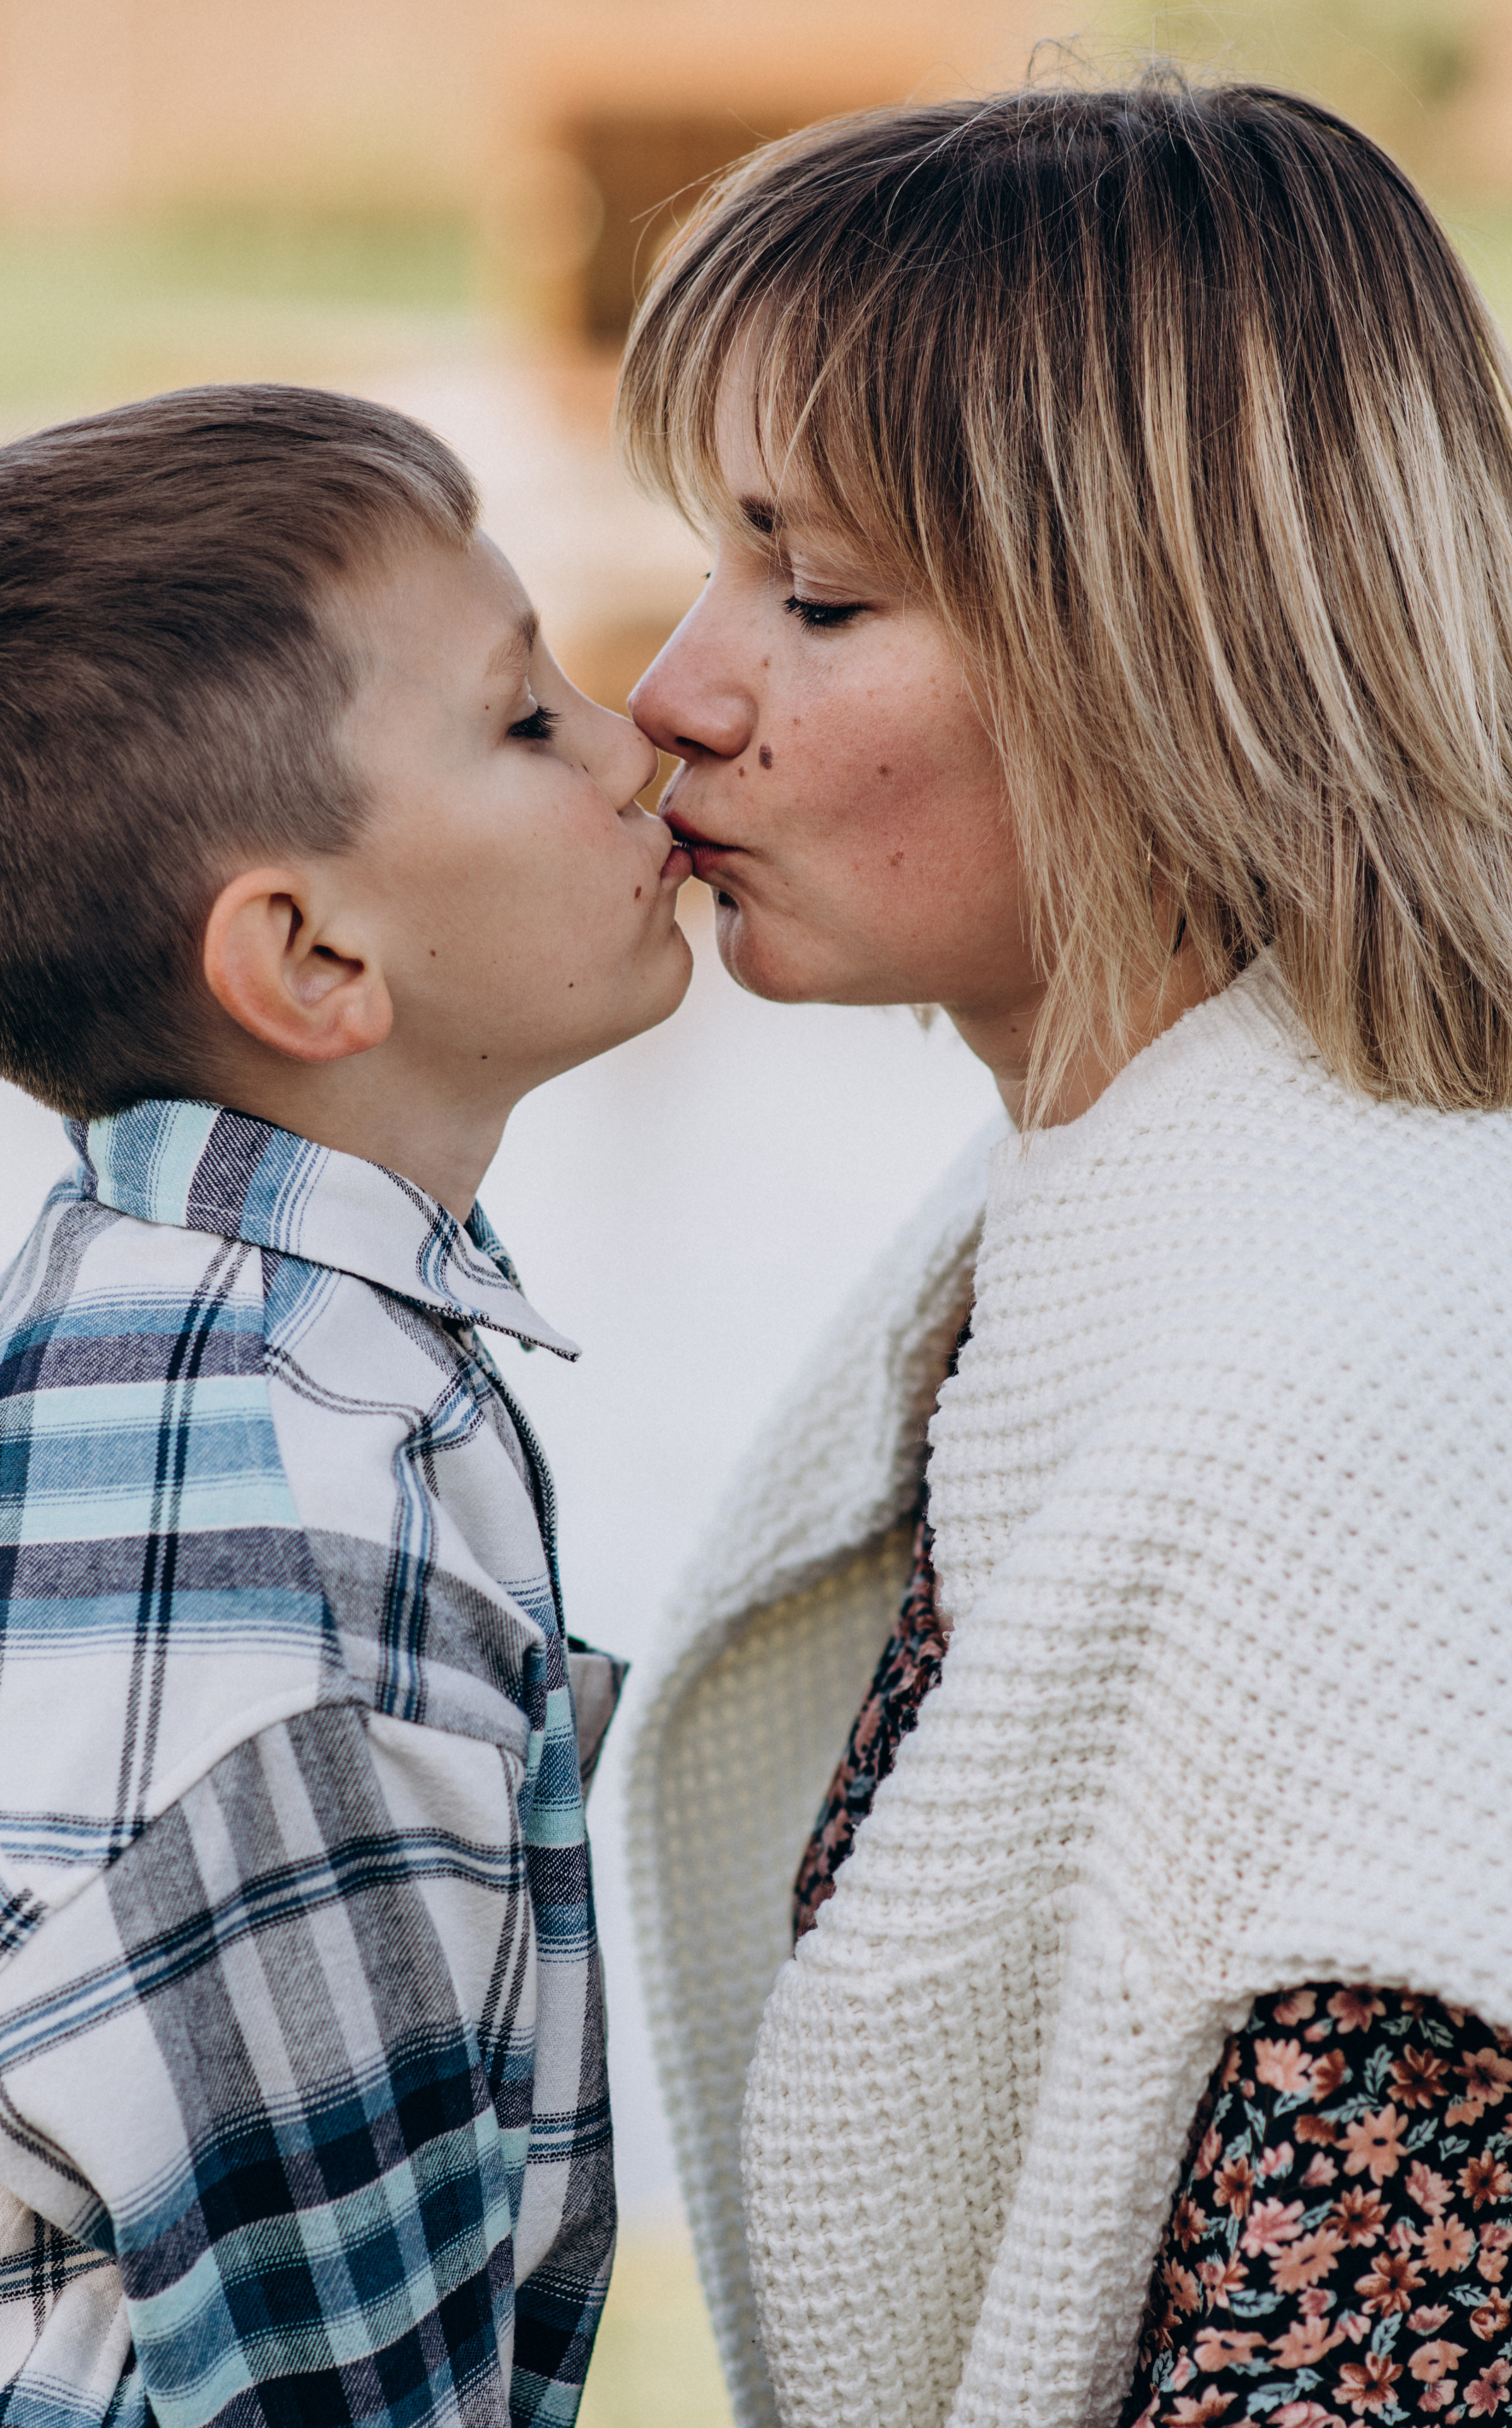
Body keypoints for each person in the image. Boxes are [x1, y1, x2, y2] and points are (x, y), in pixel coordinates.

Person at [617, 72, 1512, 2428]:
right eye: (712, 564)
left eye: (812, 594)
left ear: (1166, 648)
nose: (674, 694)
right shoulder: (1070, 1219)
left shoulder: (1362, 1405)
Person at [0, 384, 692, 2427]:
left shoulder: (202, 1323)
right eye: (530, 723)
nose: (642, 742)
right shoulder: (284, 1544)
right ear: (315, 953)